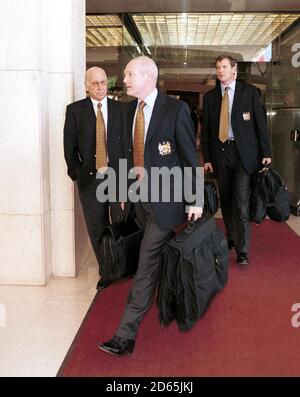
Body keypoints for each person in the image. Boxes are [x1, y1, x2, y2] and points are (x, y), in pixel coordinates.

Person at [98, 56, 203, 356]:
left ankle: (125, 336)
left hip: (166, 205)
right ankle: (169, 304)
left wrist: (195, 198)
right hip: (138, 203)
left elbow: (189, 157)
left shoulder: (176, 109)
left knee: (144, 266)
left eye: (130, 74)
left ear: (148, 76)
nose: (125, 79)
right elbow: (123, 154)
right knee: (153, 262)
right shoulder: (128, 110)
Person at [201, 55, 272, 266]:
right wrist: (206, 157)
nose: (220, 71)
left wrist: (266, 152)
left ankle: (242, 250)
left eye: (224, 67)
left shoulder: (249, 93)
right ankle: (231, 235)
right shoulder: (211, 97)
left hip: (244, 155)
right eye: (217, 67)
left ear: (234, 69)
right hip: (221, 154)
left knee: (241, 201)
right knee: (228, 200)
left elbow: (260, 124)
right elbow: (206, 131)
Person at [63, 67, 124, 290]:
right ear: (86, 86)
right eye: (95, 83)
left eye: (103, 82)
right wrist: (77, 173)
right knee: (97, 226)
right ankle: (106, 271)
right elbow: (69, 148)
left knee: (120, 222)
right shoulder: (75, 111)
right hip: (90, 180)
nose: (100, 87)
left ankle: (122, 264)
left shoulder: (121, 109)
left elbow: (127, 144)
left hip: (117, 177)